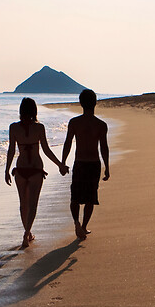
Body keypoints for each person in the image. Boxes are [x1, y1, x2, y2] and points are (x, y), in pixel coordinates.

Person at [5, 97, 67, 248]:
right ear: (34, 111)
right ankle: (27, 232)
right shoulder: (39, 128)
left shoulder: (13, 128)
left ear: (21, 110)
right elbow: (46, 150)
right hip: (36, 170)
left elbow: (11, 151)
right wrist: (60, 164)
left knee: (23, 204)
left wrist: (6, 170)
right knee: (33, 204)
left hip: (20, 169)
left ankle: (27, 232)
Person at [61, 88, 110, 240]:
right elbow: (104, 148)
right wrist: (107, 167)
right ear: (95, 103)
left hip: (80, 163)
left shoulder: (75, 122)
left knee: (75, 197)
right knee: (91, 198)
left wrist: (63, 162)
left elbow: (67, 143)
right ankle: (83, 226)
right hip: (94, 163)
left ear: (81, 103)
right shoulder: (101, 125)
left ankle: (76, 222)